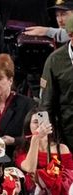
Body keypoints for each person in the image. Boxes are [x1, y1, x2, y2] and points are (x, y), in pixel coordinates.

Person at [40, 15, 73, 149]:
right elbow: (45, 103)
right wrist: (47, 140)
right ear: (70, 35)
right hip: (67, 134)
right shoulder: (55, 60)